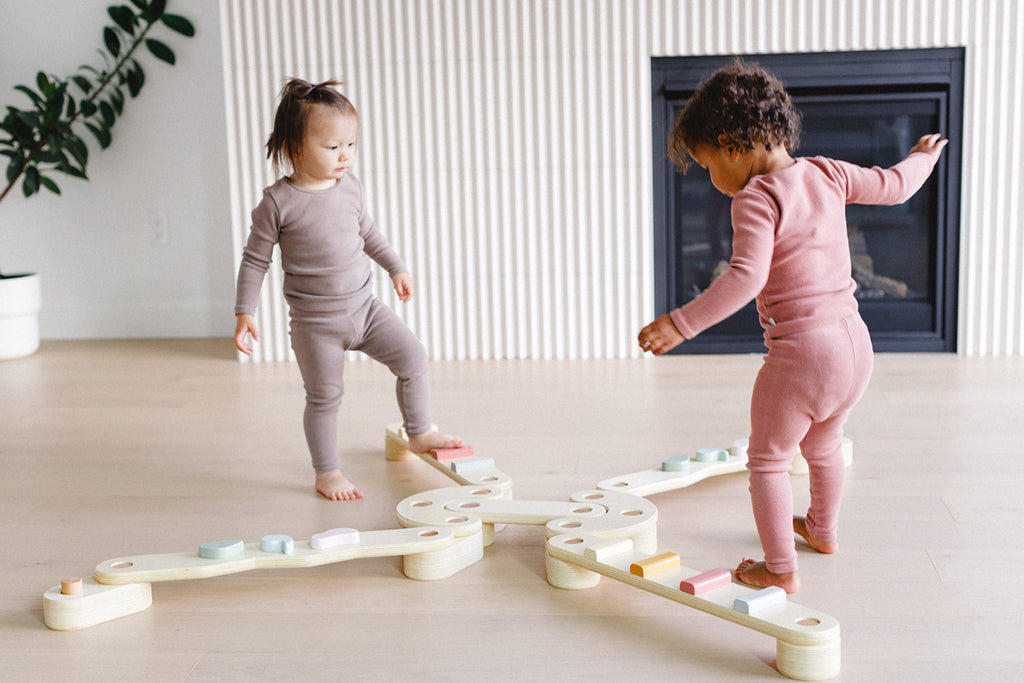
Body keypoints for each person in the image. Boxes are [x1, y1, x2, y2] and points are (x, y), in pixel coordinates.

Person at [637, 60, 947, 592]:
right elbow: (896, 186)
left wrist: (680, 324)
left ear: (732, 147)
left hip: (802, 356)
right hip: (855, 346)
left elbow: (745, 277)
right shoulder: (827, 171)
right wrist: (921, 156)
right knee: (824, 444)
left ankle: (779, 568)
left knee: (768, 460)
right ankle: (822, 529)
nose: (713, 182)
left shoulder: (756, 198)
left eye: (708, 166)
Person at [234, 78, 462, 502]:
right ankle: (327, 472)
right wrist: (244, 311)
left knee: (412, 355)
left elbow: (367, 233)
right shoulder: (277, 203)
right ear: (295, 148)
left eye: (351, 145)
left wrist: (395, 267)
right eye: (333, 146)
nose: (346, 156)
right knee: (324, 397)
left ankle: (419, 431)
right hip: (316, 324)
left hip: (365, 308)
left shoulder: (351, 188)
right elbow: (254, 259)